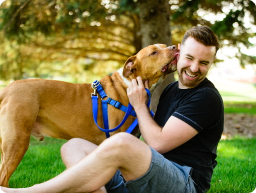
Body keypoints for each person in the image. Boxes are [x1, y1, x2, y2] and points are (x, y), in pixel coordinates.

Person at [0, 25, 223, 193]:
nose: (195, 68)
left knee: (121, 141)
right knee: (73, 146)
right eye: (190, 58)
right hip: (146, 176)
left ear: (212, 63)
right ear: (180, 54)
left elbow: (157, 143)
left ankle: (31, 192)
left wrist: (139, 106)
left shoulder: (206, 98)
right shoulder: (170, 90)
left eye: (204, 63)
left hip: (183, 184)